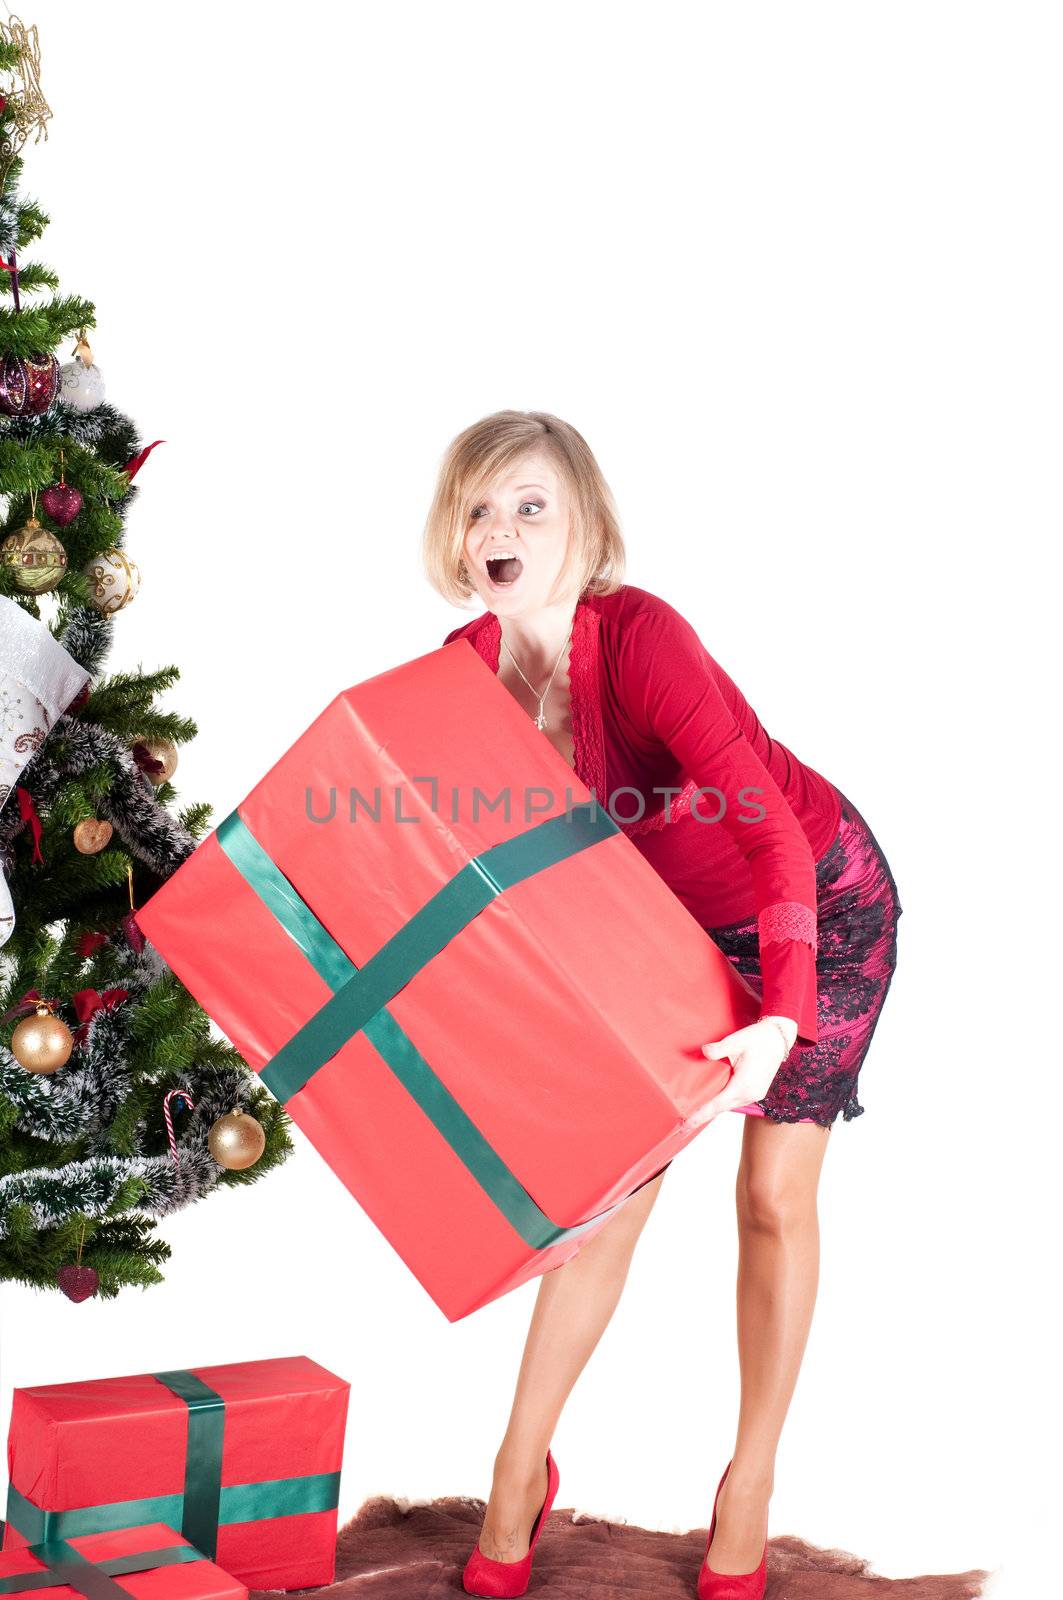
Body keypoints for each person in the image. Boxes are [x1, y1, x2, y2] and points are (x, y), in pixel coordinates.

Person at [422, 409, 903, 1600]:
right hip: (666, 942)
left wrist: (781, 1012)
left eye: (531, 503)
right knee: (605, 1202)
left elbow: (771, 834)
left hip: (816, 907)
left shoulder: (640, 641)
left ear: (585, 523)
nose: (503, 526)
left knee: (769, 1200)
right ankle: (516, 1469)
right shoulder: (456, 679)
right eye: (481, 505)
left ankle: (749, 1482)